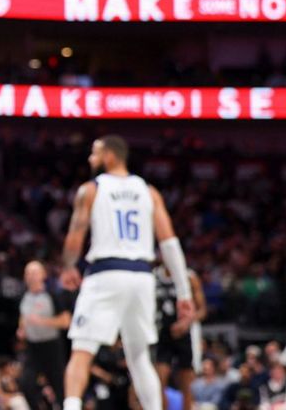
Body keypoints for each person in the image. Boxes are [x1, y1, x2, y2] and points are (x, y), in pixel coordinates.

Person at [59, 135, 194, 410]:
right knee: (140, 356)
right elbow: (169, 243)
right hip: (142, 277)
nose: (90, 159)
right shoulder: (149, 191)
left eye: (94, 153)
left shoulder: (91, 189)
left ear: (110, 155)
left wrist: (69, 266)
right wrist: (183, 292)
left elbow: (75, 236)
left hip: (106, 273)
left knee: (82, 351)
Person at [18, 261, 71, 409]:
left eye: (35, 272)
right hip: (33, 347)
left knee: (60, 387)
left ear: (43, 275)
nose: (31, 276)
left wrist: (42, 321)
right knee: (25, 383)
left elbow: (66, 321)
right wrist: (21, 329)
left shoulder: (52, 295)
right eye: (28, 273)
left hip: (51, 347)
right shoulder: (24, 296)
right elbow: (23, 317)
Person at [154, 263, 206, 410]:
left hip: (186, 334)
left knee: (187, 383)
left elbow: (202, 310)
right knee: (159, 381)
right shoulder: (154, 276)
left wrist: (185, 323)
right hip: (163, 332)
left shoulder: (189, 277)